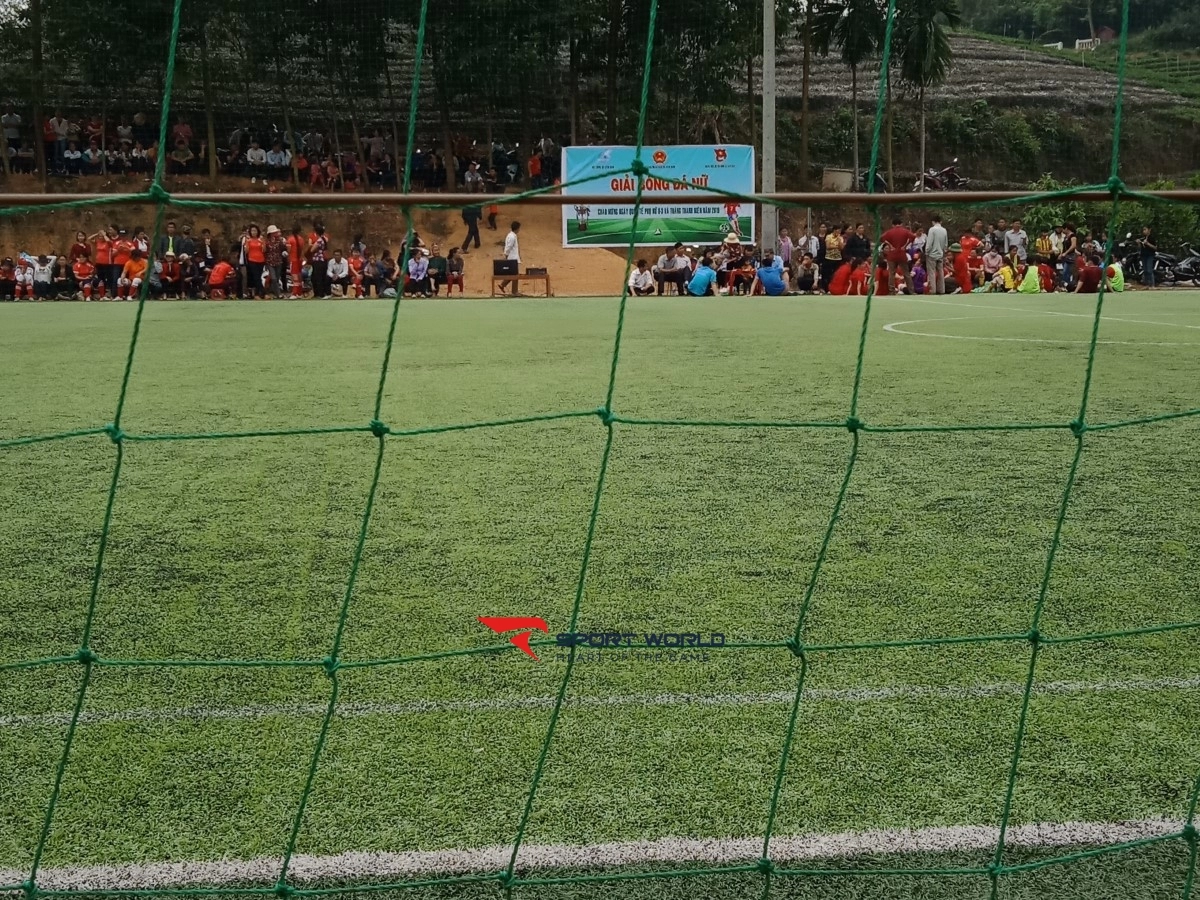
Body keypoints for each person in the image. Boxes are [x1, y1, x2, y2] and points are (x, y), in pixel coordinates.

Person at [880, 217, 916, 295]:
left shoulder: (889, 232)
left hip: (892, 254)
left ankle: (891, 291)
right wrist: (905, 245)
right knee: (906, 273)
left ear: (893, 225)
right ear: (901, 224)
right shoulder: (905, 231)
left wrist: (889, 244)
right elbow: (913, 237)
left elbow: (881, 238)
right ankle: (911, 290)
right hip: (901, 253)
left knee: (891, 273)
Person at [925, 214, 948, 295]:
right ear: (940, 221)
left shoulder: (932, 230)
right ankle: (941, 289)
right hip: (940, 254)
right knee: (941, 272)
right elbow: (945, 244)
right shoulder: (944, 230)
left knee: (931, 273)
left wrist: (926, 251)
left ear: (933, 222)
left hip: (932, 254)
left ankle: (933, 290)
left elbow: (929, 242)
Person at [498, 221, 520, 296]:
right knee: (515, 275)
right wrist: (506, 254)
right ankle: (514, 291)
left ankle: (502, 285)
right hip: (512, 258)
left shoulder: (511, 235)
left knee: (512, 274)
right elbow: (509, 247)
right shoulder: (512, 236)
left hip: (513, 257)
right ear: (517, 229)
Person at [309, 223, 329, 297]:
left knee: (317, 277)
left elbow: (312, 250)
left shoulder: (319, 240)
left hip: (318, 260)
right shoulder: (325, 239)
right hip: (324, 260)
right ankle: (323, 292)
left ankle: (320, 293)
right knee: (322, 276)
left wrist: (313, 245)